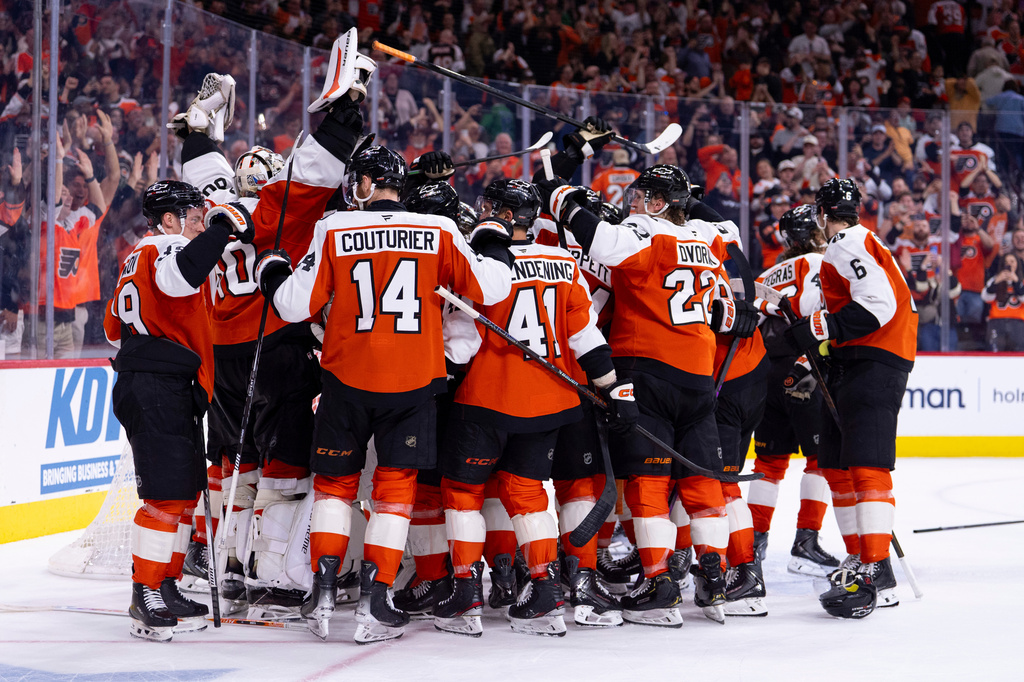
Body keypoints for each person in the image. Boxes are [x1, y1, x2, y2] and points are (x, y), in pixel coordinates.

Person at [255, 144, 514, 643]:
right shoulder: (438, 230)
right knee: (395, 493)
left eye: (358, 180)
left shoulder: (333, 228)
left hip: (344, 381)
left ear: (369, 182)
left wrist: (272, 270)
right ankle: (378, 600)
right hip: (413, 384)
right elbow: (491, 286)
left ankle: (323, 591)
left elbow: (290, 305)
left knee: (335, 486)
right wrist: (494, 242)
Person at [539, 164, 759, 625]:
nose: (634, 204)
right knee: (702, 483)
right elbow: (725, 241)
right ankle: (713, 580)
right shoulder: (706, 239)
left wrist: (559, 195)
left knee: (649, 483)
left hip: (650, 370)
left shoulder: (644, 231)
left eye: (643, 197)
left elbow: (599, 239)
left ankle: (659, 582)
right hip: (700, 377)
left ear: (659, 203)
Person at [437, 178, 620, 637]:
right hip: (550, 402)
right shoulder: (563, 260)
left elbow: (461, 345)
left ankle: (466, 593)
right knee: (529, 492)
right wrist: (613, 389)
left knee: (463, 493)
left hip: (486, 399)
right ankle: (543, 590)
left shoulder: (481, 263)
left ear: (499, 213)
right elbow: (586, 338)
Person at [103, 180, 249, 641]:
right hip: (157, 386)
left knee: (182, 493)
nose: (198, 223)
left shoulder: (137, 256)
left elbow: (113, 329)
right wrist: (221, 228)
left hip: (161, 382)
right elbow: (179, 276)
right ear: (168, 218)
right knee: (166, 498)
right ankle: (144, 591)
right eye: (193, 215)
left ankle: (164, 584)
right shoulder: (165, 246)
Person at [784, 179, 917, 618]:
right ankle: (862, 557)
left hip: (875, 362)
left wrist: (819, 329)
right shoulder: (857, 242)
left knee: (866, 465)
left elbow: (878, 305)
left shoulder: (846, 243)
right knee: (836, 465)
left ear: (823, 214)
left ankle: (877, 568)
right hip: (855, 363)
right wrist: (814, 350)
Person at [749, 205, 846, 578]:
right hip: (804, 368)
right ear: (817, 234)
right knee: (820, 458)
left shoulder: (769, 272)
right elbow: (811, 307)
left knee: (769, 462)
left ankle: (753, 545)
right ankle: (806, 543)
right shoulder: (818, 264)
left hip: (766, 373)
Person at [982, 253, 1024, 351]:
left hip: (1018, 322)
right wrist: (997, 281)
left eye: (1012, 261)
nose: (1009, 264)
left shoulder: (1022, 281)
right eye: (1006, 262)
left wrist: (1016, 282)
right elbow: (986, 297)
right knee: (994, 352)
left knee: (1018, 352)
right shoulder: (994, 279)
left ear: (1017, 263)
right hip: (996, 321)